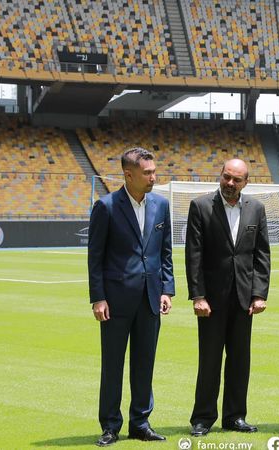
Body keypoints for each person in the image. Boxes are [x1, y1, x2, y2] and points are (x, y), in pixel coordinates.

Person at [88, 147, 174, 446]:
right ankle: (110, 425)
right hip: (115, 301)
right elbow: (95, 256)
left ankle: (140, 422)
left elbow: (165, 253)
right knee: (112, 364)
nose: (154, 177)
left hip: (150, 297)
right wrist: (98, 298)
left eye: (154, 171)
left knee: (144, 363)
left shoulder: (161, 205)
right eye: (148, 173)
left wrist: (167, 289)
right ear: (128, 174)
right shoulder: (107, 206)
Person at [184, 158, 271, 436]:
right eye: (226, 177)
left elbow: (261, 254)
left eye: (236, 179)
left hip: (244, 298)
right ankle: (202, 418)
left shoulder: (256, 209)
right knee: (209, 359)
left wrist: (259, 293)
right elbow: (193, 254)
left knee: (239, 360)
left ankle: (235, 416)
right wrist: (198, 295)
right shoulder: (200, 206)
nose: (230, 183)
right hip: (211, 299)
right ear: (220, 176)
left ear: (246, 182)